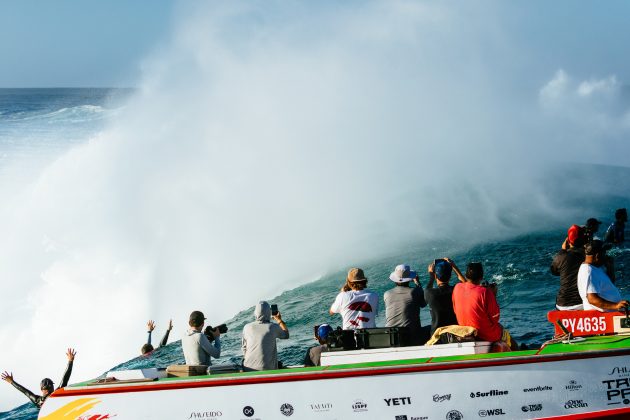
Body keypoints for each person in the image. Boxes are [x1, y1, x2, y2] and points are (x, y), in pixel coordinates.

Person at [448, 259, 519, 351]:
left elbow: (456, 309)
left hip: (466, 330)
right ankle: (518, 354)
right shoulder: (485, 292)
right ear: (481, 277)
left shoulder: (457, 288)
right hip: (484, 334)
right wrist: (493, 295)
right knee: (505, 333)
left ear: (466, 275)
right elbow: (495, 318)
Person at [2, 348, 76, 408]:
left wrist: (12, 382)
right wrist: (70, 361)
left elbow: (25, 391)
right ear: (52, 387)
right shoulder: (56, 394)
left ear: (41, 389)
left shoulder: (37, 400)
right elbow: (65, 378)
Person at [577, 240, 629, 312]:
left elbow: (609, 285)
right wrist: (616, 305)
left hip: (609, 315)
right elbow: (592, 299)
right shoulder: (588, 271)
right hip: (603, 317)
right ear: (597, 255)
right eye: (604, 253)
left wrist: (610, 268)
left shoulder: (595, 268)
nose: (606, 255)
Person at [384, 264, 427, 344]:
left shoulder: (387, 294)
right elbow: (423, 304)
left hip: (391, 335)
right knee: (431, 328)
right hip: (411, 335)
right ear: (410, 279)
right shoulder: (414, 292)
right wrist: (418, 283)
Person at [242, 301, 289, 371]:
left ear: (255, 313)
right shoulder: (272, 327)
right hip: (267, 369)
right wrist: (279, 319)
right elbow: (286, 335)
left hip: (247, 368)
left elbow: (244, 348)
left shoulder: (247, 327)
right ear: (269, 313)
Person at [551, 225, 586, 310]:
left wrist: (562, 251)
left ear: (568, 240)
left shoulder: (561, 257)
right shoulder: (588, 256)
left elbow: (554, 271)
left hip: (562, 305)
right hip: (582, 304)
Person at [425, 259, 458, 334]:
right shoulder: (456, 290)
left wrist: (431, 276)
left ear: (435, 276)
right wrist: (454, 267)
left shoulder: (430, 293)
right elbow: (467, 284)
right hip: (455, 332)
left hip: (437, 335)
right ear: (450, 276)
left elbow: (427, 288)